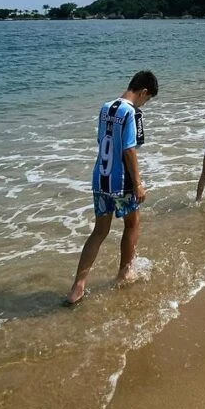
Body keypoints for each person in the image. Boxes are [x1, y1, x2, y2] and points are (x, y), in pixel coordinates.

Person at [63, 70, 159, 306]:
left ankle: (78, 286)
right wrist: (138, 183)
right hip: (121, 181)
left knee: (99, 231)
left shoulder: (106, 107)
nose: (145, 103)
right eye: (147, 99)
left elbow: (101, 140)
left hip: (100, 177)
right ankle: (125, 273)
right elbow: (129, 150)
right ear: (144, 92)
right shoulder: (131, 113)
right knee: (132, 224)